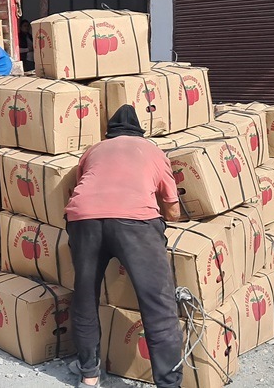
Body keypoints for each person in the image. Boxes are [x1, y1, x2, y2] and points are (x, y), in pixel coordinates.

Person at [66, 105, 183, 388]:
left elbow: (84, 186)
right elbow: (173, 209)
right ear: (139, 132)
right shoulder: (152, 151)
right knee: (158, 303)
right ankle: (169, 383)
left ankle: (89, 375)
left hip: (83, 220)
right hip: (135, 223)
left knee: (85, 296)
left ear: (109, 133)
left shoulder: (93, 150)